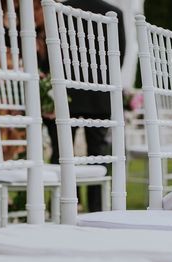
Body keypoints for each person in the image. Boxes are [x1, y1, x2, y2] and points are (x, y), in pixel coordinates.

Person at [45, 0, 126, 212]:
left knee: (62, 151)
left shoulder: (59, 9)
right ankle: (96, 207)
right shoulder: (114, 13)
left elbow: (49, 49)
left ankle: (63, 204)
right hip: (99, 93)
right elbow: (120, 55)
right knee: (97, 153)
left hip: (66, 93)